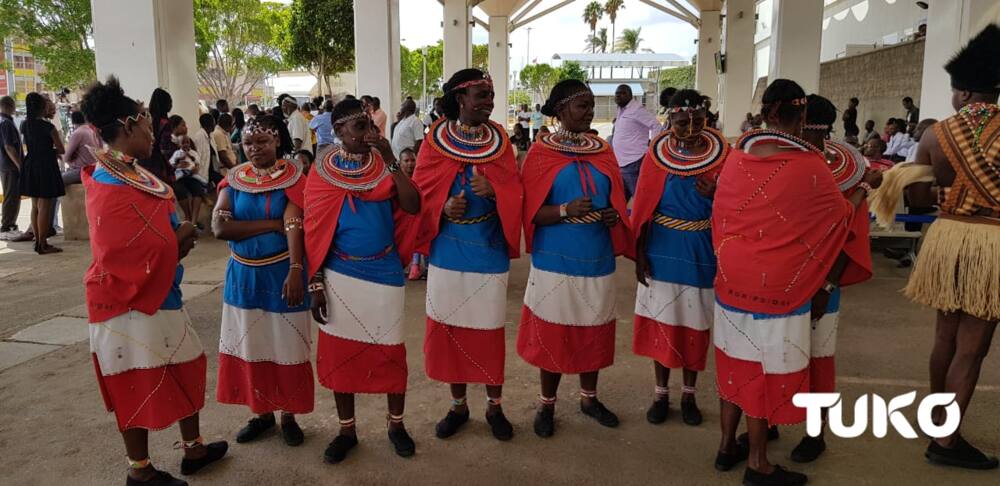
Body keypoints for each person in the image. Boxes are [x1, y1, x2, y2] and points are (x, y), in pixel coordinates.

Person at [711, 79, 880, 486]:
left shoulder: (735, 157)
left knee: (738, 361)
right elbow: (839, 217)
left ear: (767, 112)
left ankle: (725, 447)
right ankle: (758, 464)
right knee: (764, 370)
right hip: (778, 289)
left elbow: (725, 213)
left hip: (733, 280)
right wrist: (862, 187)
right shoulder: (810, 167)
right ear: (803, 119)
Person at [80, 76, 227, 486]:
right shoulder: (108, 182)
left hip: (162, 291)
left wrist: (174, 237)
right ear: (128, 125)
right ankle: (140, 472)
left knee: (185, 363)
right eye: (146, 124)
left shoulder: (128, 173)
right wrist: (176, 239)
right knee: (133, 376)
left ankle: (193, 448)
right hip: (127, 298)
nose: (151, 132)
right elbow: (118, 250)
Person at [903, 23, 1000, 470]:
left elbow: (916, 199)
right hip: (992, 244)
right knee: (972, 347)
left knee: (945, 336)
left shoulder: (934, 135)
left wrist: (949, 196)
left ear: (963, 94)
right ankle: (946, 440)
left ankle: (935, 421)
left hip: (947, 238)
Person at [303, 99, 421, 463]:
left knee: (391, 352)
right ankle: (346, 429)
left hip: (384, 272)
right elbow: (314, 232)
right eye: (360, 129)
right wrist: (316, 283)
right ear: (339, 132)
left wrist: (389, 161)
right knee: (342, 355)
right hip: (340, 274)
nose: (369, 135)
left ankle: (396, 425)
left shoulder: (384, 167)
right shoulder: (321, 173)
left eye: (371, 127)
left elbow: (414, 205)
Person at [410, 68, 523, 442]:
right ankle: (458, 405)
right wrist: (442, 208)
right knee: (450, 330)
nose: (488, 103)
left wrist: (494, 190)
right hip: (448, 251)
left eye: (490, 96)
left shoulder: (500, 141)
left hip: (488, 250)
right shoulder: (433, 142)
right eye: (481, 96)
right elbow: (420, 192)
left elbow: (515, 189)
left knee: (488, 331)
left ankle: (494, 406)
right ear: (461, 99)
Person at [518, 79, 634, 438]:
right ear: (562, 110)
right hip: (556, 259)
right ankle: (546, 403)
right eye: (581, 106)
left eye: (590, 105)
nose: (589, 112)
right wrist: (566, 209)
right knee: (554, 332)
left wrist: (613, 215)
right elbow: (530, 213)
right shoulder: (540, 153)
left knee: (593, 329)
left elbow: (614, 195)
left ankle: (589, 398)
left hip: (596, 256)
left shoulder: (602, 150)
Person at [212, 114, 312, 448]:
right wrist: (272, 225)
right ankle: (262, 413)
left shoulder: (293, 179)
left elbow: (295, 224)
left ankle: (288, 414)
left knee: (285, 344)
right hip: (242, 276)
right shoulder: (234, 179)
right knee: (251, 344)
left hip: (280, 272)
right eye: (249, 143)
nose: (255, 149)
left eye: (263, 142)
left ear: (277, 141)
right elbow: (220, 228)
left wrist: (296, 269)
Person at [631, 89, 728, 430]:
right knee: (663, 321)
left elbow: (740, 206)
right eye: (681, 121)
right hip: (661, 248)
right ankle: (660, 393)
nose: (689, 129)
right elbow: (643, 205)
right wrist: (639, 253)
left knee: (694, 324)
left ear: (707, 119)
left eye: (697, 121)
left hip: (701, 249)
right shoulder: (655, 156)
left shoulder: (723, 156)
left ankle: (688, 393)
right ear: (669, 119)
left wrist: (719, 194)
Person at [790, 93, 877, 463]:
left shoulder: (848, 175)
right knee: (775, 352)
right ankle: (771, 421)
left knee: (818, 358)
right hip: (783, 280)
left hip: (824, 283)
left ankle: (815, 432)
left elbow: (849, 237)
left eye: (801, 127)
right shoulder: (783, 164)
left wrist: (827, 287)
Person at [19, 92, 65, 254]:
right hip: (46, 166)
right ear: (42, 107)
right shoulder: (49, 127)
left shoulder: (24, 125)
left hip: (30, 164)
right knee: (44, 205)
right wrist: (50, 150)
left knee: (34, 205)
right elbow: (61, 149)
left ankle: (37, 241)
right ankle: (42, 244)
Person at [612, 84, 661, 201]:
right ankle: (624, 219)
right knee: (620, 199)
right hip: (621, 162)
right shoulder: (621, 109)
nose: (618, 96)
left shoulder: (637, 109)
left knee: (640, 200)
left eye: (622, 93)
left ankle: (645, 219)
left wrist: (651, 149)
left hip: (633, 162)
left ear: (630, 95)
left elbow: (656, 125)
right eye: (617, 94)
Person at [0, 95, 30, 241]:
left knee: (13, 195)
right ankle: (6, 227)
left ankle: (10, 225)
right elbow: (8, 147)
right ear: (9, 106)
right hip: (10, 166)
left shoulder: (6, 121)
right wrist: (19, 164)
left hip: (7, 165)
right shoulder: (5, 123)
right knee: (11, 196)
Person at [62, 111, 101, 185]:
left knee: (58, 180)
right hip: (95, 167)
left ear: (73, 121)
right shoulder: (91, 130)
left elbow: (65, 158)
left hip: (83, 170)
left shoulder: (77, 133)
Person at [191, 113, 219, 192]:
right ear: (210, 123)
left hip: (210, 169)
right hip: (202, 171)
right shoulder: (199, 137)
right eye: (214, 122)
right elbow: (198, 157)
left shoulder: (210, 135)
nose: (215, 124)